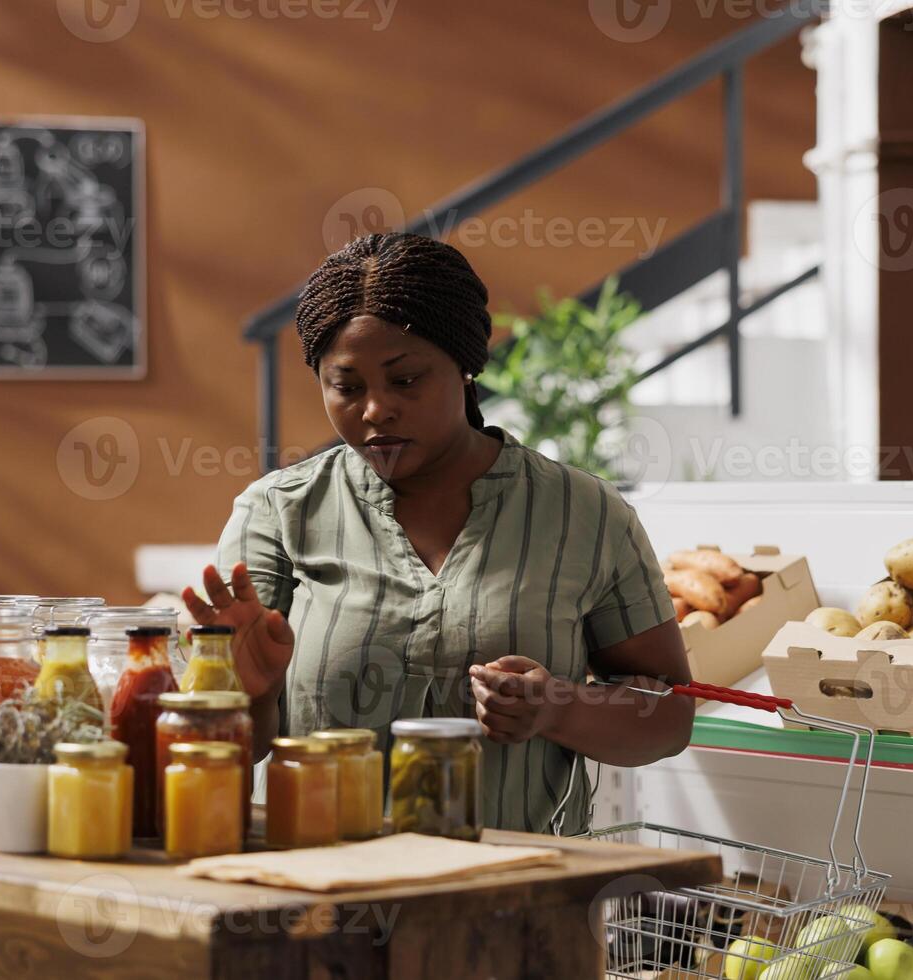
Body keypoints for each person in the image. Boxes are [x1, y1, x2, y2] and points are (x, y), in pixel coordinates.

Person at [182, 231, 694, 835]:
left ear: (467, 366)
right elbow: (224, 761)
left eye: (405, 380)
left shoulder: (584, 513)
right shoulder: (279, 512)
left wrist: (557, 708)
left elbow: (670, 717)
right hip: (317, 900)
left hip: (512, 903)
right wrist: (249, 695)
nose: (375, 410)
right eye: (346, 386)